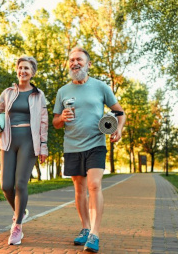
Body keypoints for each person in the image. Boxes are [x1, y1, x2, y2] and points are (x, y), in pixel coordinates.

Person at [52, 47, 126, 253]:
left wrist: (118, 129)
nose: (75, 63)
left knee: (94, 185)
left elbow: (120, 112)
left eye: (79, 60)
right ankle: (84, 227)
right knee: (79, 189)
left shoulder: (101, 87)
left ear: (88, 64)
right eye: (71, 60)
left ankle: (95, 233)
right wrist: (61, 118)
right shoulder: (62, 91)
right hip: (72, 146)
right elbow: (55, 122)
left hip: (96, 144)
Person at [0, 56, 48, 245]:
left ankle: (17, 227)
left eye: (27, 68)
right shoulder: (8, 93)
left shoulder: (39, 95)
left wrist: (44, 146)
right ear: (17, 70)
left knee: (21, 184)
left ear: (33, 72)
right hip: (8, 140)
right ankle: (20, 211)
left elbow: (44, 121)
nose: (23, 71)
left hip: (29, 141)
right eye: (20, 67)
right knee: (5, 185)